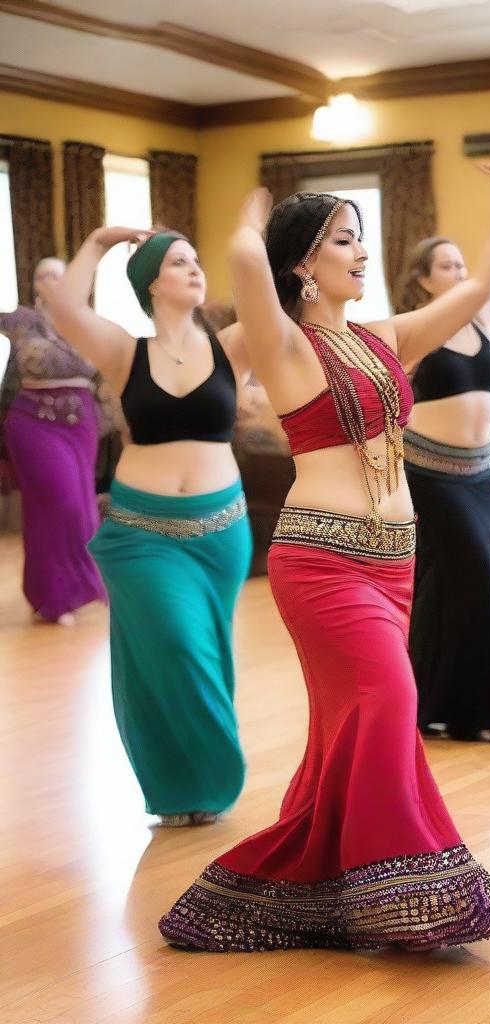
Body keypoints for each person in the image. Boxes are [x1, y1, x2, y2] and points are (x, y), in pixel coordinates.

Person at [159, 130, 490, 953]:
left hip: (393, 563)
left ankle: (322, 881)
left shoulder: (385, 338)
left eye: (362, 238)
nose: (362, 253)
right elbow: (248, 273)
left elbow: (472, 297)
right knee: (392, 701)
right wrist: (248, 227)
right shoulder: (289, 347)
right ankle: (401, 893)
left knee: (351, 726)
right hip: (321, 562)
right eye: (343, 239)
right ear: (304, 263)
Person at [44, 229, 253, 827]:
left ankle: (190, 790)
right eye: (179, 262)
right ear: (151, 282)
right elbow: (64, 305)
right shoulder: (122, 350)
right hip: (142, 536)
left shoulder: (232, 344)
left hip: (220, 532)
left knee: (203, 652)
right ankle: (201, 773)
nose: (194, 270)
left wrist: (255, 245)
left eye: (197, 260)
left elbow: (280, 310)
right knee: (175, 646)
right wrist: (101, 240)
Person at [397, 235, 490, 740]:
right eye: (445, 265)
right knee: (476, 569)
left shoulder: (482, 316)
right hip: (429, 472)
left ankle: (429, 701)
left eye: (461, 263)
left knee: (441, 583)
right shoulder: (415, 330)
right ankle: (478, 709)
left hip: (484, 473)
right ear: (424, 279)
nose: (457, 271)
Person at [0, 258, 106, 624]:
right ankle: (54, 596)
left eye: (59, 275)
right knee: (60, 503)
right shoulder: (22, 320)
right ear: (35, 284)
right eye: (43, 275)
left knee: (79, 506)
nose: (52, 281)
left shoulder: (87, 322)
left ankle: (65, 591)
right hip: (32, 423)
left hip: (80, 424)